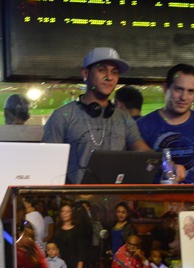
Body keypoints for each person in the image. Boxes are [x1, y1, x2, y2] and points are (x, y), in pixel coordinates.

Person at [41, 47, 153, 184]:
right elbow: (47, 165)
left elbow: (144, 152)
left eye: (114, 72)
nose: (109, 77)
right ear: (85, 73)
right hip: (74, 197)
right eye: (102, 70)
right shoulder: (62, 116)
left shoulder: (124, 118)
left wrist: (167, 164)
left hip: (115, 197)